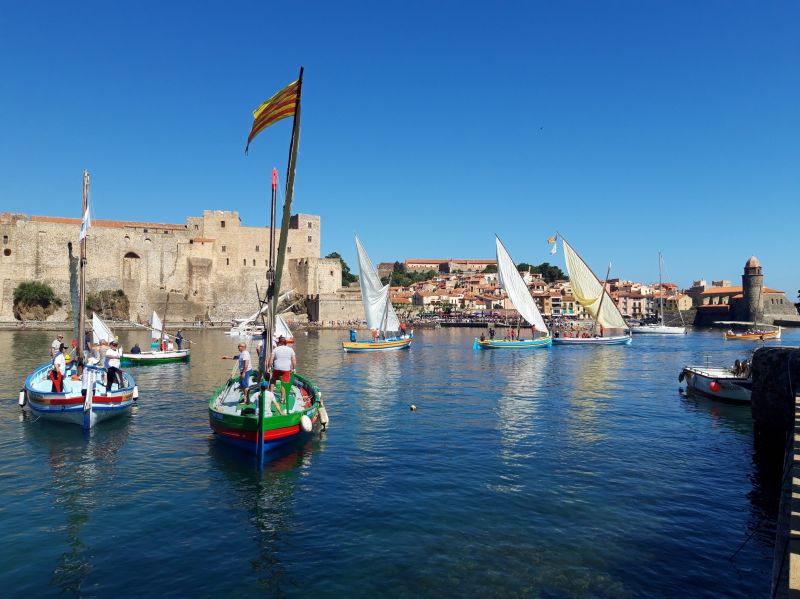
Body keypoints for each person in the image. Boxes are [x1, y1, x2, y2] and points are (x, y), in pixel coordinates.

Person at [269, 336, 297, 411]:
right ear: (285, 343)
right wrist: (294, 368)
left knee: (272, 381)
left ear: (279, 342)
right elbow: (294, 360)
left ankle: (271, 396)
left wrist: (269, 367)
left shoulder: (275, 349)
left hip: (277, 368)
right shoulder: (290, 350)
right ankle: (282, 399)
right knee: (284, 384)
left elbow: (271, 359)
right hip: (286, 369)